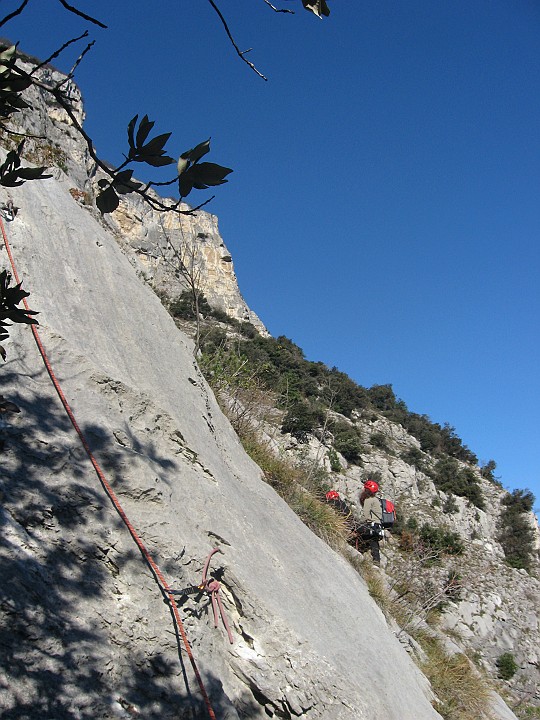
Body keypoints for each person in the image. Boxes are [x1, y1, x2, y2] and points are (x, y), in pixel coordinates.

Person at [357, 479, 383, 565]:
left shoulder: (368, 500)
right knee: (373, 542)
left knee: (356, 533)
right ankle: (376, 561)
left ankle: (356, 553)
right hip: (378, 526)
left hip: (371, 525)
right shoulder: (376, 500)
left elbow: (365, 516)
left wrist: (357, 525)